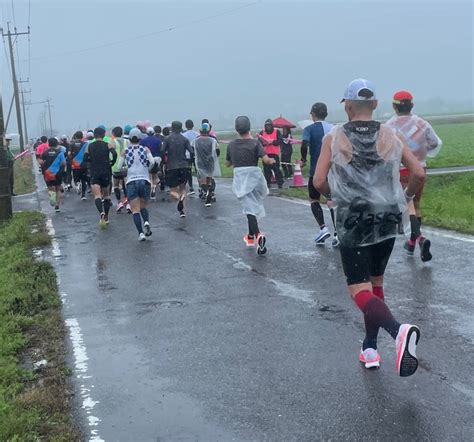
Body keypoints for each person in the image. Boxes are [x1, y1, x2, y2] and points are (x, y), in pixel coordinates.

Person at [314, 78, 425, 376]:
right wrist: (405, 198)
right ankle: (370, 348)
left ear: (348, 106)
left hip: (353, 218)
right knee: (376, 283)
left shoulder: (334, 137)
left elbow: (318, 181)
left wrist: (334, 196)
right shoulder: (392, 135)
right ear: (375, 104)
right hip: (387, 215)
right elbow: (417, 172)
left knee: (358, 289)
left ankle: (397, 331)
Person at [386, 91, 442, 262]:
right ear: (412, 105)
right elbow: (435, 143)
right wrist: (421, 150)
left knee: (407, 204)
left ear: (394, 106)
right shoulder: (422, 123)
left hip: (402, 169)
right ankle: (411, 242)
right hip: (420, 168)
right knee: (415, 204)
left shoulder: (389, 126)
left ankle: (419, 239)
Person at [226, 116, 276, 255]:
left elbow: (228, 163)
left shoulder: (231, 145)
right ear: (249, 127)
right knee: (252, 206)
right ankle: (249, 236)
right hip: (255, 177)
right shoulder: (255, 143)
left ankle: (258, 235)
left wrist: (233, 161)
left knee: (249, 209)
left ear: (237, 128)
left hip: (241, 178)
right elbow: (266, 160)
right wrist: (271, 160)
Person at [301, 103, 338, 246]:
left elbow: (304, 144)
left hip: (316, 171)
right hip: (333, 171)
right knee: (332, 199)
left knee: (314, 199)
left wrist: (303, 159)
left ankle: (323, 228)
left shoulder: (309, 129)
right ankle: (337, 232)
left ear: (313, 114)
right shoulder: (334, 128)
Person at [117, 128, 156, 241]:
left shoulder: (125, 151)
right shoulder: (145, 149)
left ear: (129, 139)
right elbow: (152, 162)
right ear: (140, 138)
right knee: (143, 205)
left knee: (135, 209)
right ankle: (147, 221)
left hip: (131, 181)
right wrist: (147, 169)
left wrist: (125, 169)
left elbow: (119, 167)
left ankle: (141, 233)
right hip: (144, 180)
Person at [84, 126, 118, 226]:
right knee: (106, 195)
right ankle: (106, 216)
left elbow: (85, 158)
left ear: (94, 135)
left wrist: (92, 161)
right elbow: (114, 154)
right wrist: (111, 162)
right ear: (103, 135)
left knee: (97, 195)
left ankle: (101, 212)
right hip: (106, 171)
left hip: (95, 171)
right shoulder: (107, 145)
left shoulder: (90, 146)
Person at [162, 121, 193, 217]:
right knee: (183, 188)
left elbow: (162, 151)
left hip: (172, 166)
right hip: (184, 165)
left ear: (172, 128)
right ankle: (183, 211)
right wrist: (189, 162)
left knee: (172, 191)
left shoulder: (167, 139)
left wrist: (164, 161)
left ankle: (179, 198)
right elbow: (191, 151)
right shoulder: (184, 139)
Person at [191, 122, 221, 207]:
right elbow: (217, 151)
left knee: (202, 180)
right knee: (209, 179)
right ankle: (210, 192)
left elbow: (192, 151)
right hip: (210, 161)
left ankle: (206, 192)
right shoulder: (213, 140)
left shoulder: (195, 141)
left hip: (200, 162)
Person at [38, 137, 67, 212]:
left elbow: (40, 162)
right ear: (57, 144)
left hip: (47, 173)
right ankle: (57, 206)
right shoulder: (60, 152)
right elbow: (64, 163)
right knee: (58, 189)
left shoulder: (45, 152)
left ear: (49, 144)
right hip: (58, 173)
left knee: (49, 188)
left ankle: (51, 195)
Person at [258, 119, 284, 189]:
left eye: (269, 126)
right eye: (267, 126)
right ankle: (268, 183)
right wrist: (264, 143)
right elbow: (259, 142)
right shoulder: (262, 132)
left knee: (276, 169)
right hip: (265, 154)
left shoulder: (276, 131)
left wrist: (272, 142)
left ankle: (280, 183)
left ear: (272, 126)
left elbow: (280, 140)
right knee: (266, 170)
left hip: (274, 154)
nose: (268, 127)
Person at [110, 126, 130, 212]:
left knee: (116, 185)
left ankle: (119, 202)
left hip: (115, 166)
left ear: (113, 134)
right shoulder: (127, 141)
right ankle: (128, 203)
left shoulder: (112, 142)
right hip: (126, 166)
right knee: (126, 185)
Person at [140, 126, 163, 199]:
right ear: (153, 133)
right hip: (156, 159)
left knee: (149, 176)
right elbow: (161, 150)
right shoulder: (158, 141)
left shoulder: (143, 141)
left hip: (147, 160)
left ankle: (150, 189)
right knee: (155, 175)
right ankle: (154, 188)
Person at [69, 131, 89, 200]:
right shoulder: (85, 144)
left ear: (75, 136)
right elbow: (88, 153)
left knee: (75, 178)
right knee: (84, 180)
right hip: (83, 164)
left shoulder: (72, 144)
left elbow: (69, 154)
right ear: (82, 137)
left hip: (75, 165)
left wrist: (71, 158)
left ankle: (77, 184)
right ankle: (83, 195)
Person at [182, 119, 199, 195]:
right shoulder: (197, 134)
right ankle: (201, 187)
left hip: (187, 156)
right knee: (198, 170)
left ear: (186, 126)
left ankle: (191, 187)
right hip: (196, 155)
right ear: (193, 125)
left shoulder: (184, 135)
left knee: (188, 171)